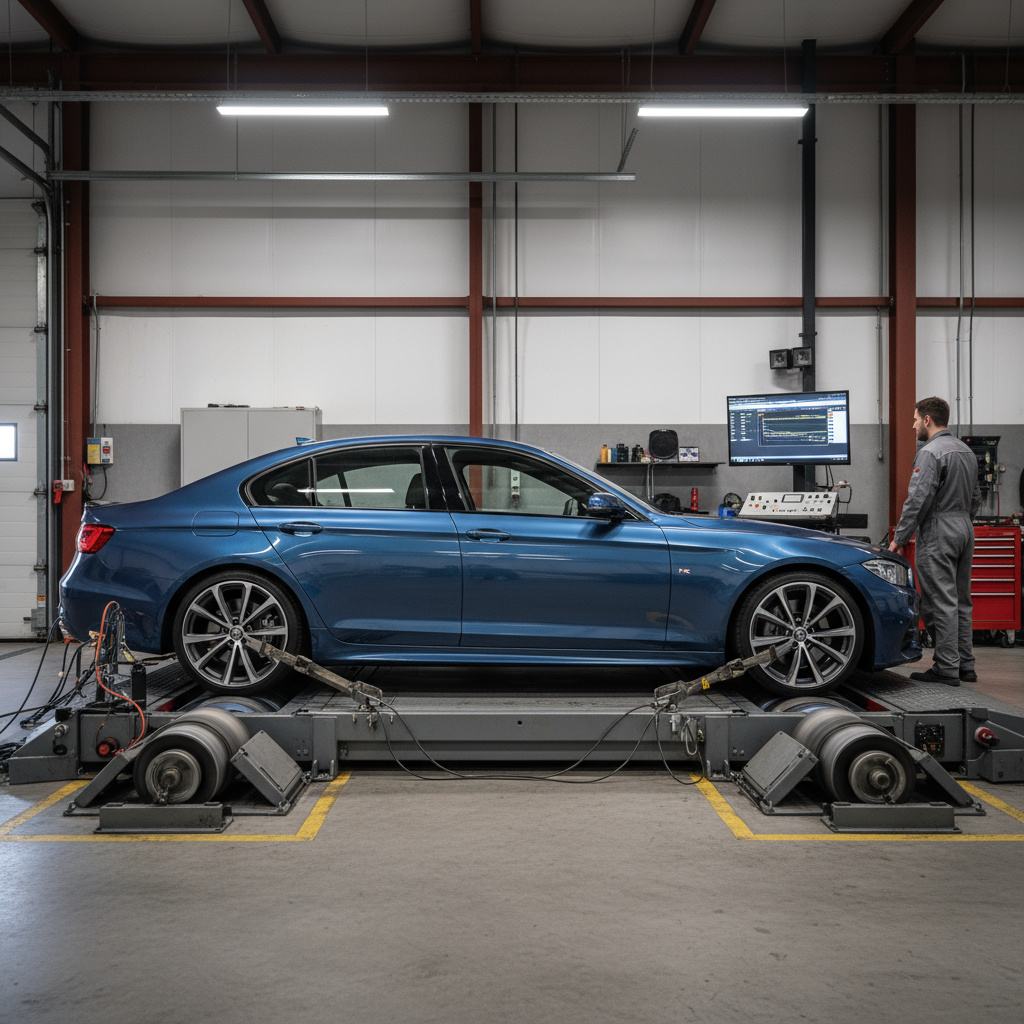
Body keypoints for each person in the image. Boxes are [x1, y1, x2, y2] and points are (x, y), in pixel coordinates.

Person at [889, 396, 982, 685]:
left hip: (939, 529)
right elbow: (976, 498)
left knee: (939, 602)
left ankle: (946, 668)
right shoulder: (966, 451)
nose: (913, 425)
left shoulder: (930, 452)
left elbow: (918, 500)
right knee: (961, 601)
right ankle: (965, 664)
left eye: (915, 419)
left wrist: (899, 538)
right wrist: (961, 520)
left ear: (927, 420)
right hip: (965, 527)